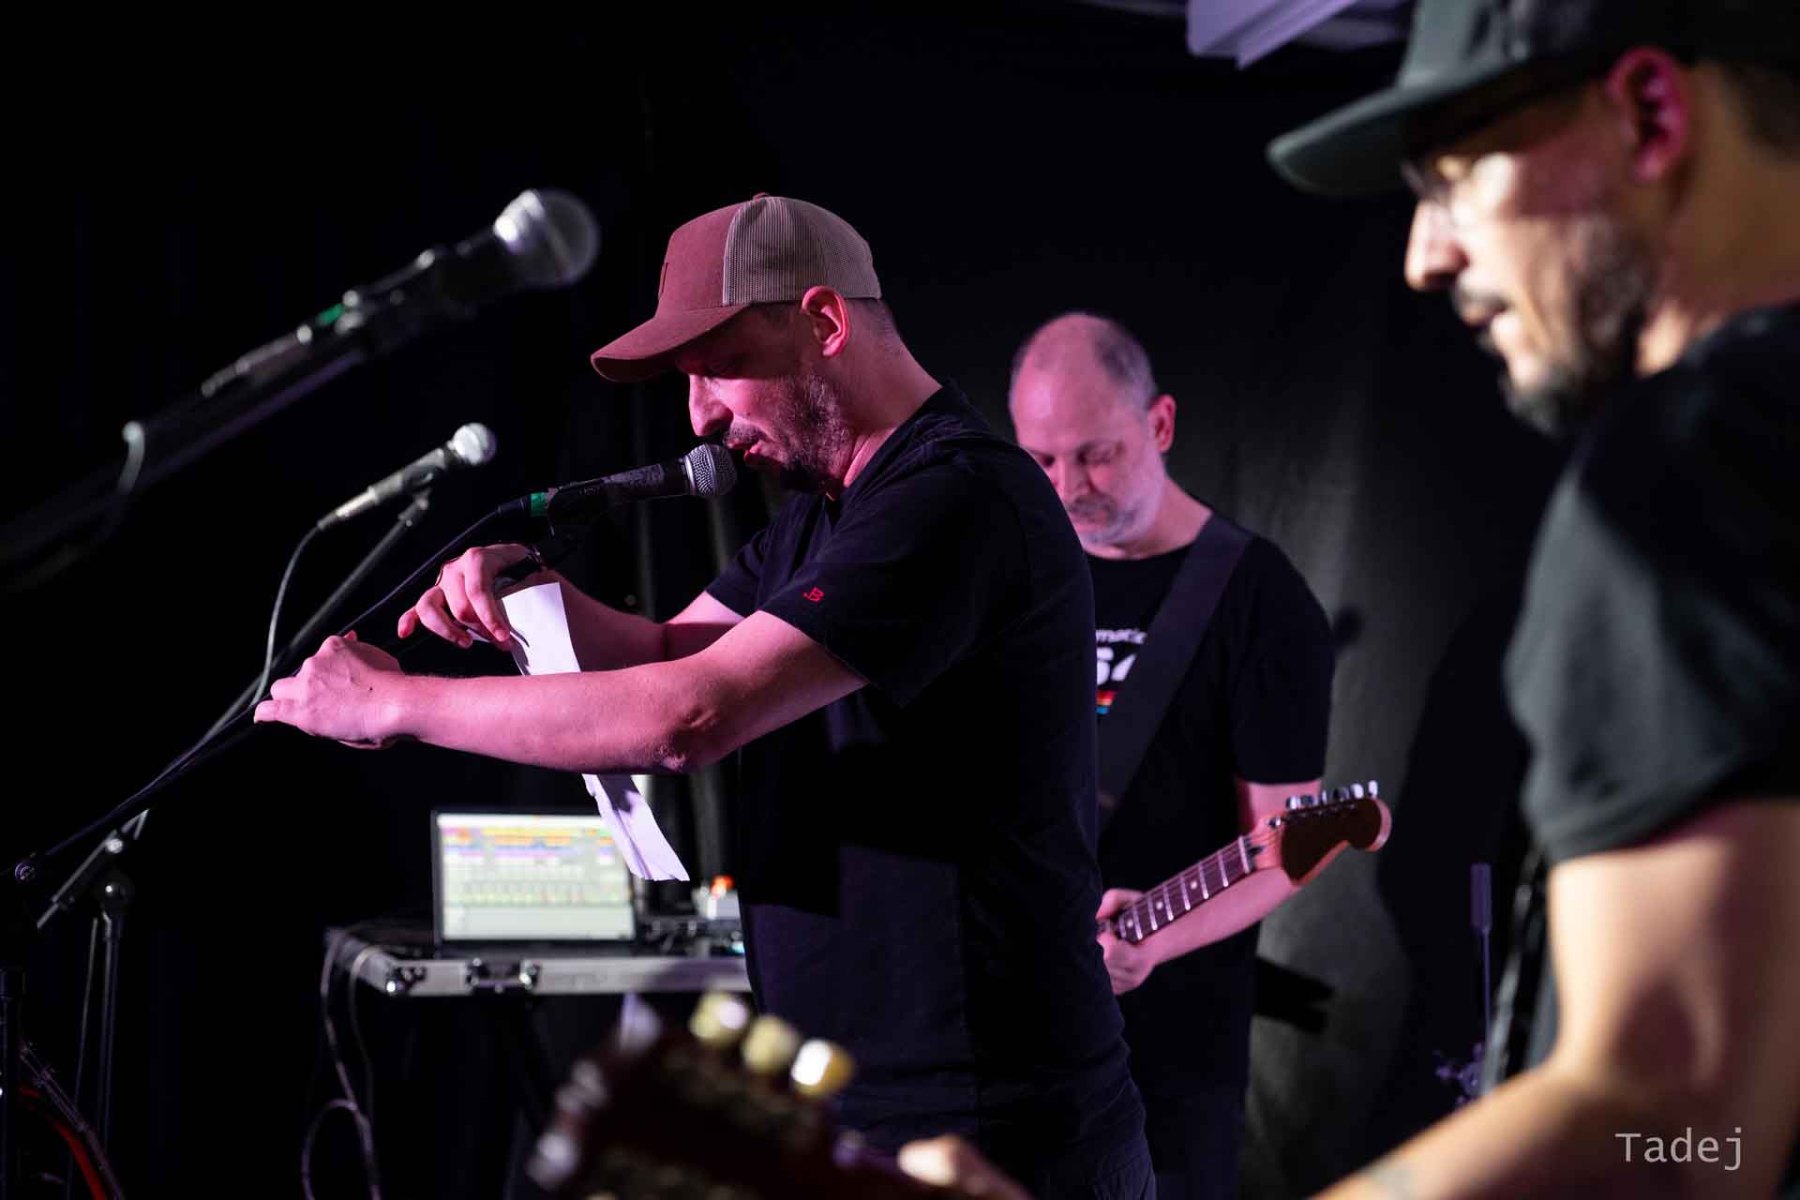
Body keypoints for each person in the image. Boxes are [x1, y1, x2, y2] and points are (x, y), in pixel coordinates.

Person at [255, 194, 1151, 1197]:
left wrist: (397, 704)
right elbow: (663, 649)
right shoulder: (825, 516)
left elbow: (688, 714)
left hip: (990, 1126)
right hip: (860, 1113)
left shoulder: (954, 497)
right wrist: (529, 592)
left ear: (825, 321)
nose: (699, 416)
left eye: (717, 366)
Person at [1268, 0, 1800, 1194]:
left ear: (1650, 114)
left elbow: (1677, 1126)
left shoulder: (1696, 463)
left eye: (1454, 177)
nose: (1426, 254)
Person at [1008, 313, 1334, 1200]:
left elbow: (1289, 844)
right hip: (1005, 1042)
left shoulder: (1257, 598)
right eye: (1041, 460)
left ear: (1159, 424)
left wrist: (1155, 941)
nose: (1068, 487)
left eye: (1095, 455)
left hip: (1168, 1065)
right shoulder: (1020, 573)